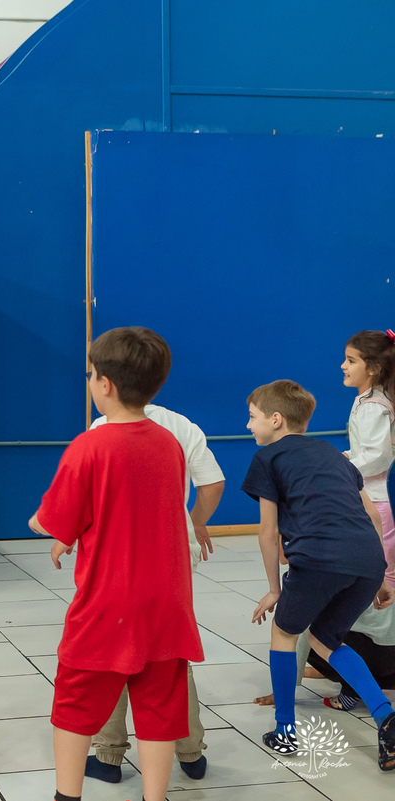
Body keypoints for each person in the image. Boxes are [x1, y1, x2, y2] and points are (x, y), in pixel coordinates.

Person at [29, 327, 204, 801]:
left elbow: (55, 520)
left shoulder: (90, 446)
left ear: (104, 384)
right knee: (159, 707)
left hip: (107, 603)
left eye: (90, 375)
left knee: (74, 703)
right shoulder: (169, 444)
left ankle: (67, 796)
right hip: (167, 602)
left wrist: (41, 521)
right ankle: (156, 796)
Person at [242, 378, 395, 770]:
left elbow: (267, 531)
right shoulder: (333, 453)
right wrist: (378, 575)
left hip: (318, 558)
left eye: (253, 417)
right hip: (367, 559)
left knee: (283, 631)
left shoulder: (267, 458)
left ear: (276, 420)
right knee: (326, 637)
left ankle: (285, 731)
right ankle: (386, 717)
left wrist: (274, 589)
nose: (248, 426)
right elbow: (372, 516)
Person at [84, 403, 224, 784]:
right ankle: (191, 753)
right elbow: (212, 482)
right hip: (172, 557)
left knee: (115, 653)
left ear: (107, 383)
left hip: (118, 559)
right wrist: (192, 523)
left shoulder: (103, 428)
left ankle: (110, 756)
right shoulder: (181, 424)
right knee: (172, 654)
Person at [341, 330, 395, 587]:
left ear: (373, 368)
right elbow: (369, 448)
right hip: (373, 497)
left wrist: (342, 467)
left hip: (378, 499)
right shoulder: (368, 400)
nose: (343, 366)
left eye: (351, 361)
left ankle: (383, 626)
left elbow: (379, 456)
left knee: (383, 570)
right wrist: (349, 456)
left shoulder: (373, 405)